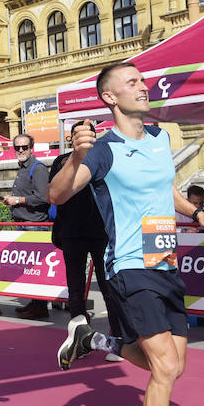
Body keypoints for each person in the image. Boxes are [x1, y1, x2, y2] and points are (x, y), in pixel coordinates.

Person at [48, 62, 204, 406]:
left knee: (173, 366)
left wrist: (197, 213)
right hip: (128, 265)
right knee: (164, 365)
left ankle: (94, 341)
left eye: (142, 81)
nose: (143, 87)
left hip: (164, 262)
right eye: (132, 83)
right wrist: (76, 156)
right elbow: (57, 194)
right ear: (110, 98)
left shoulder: (161, 137)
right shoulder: (103, 150)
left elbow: (167, 190)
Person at [50, 120, 120, 359]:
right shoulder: (62, 162)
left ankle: (118, 337)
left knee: (109, 285)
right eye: (79, 134)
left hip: (102, 233)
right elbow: (54, 194)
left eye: (90, 134)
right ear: (71, 138)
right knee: (76, 289)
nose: (85, 137)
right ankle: (80, 337)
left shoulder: (104, 159)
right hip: (72, 233)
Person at [4, 132, 51, 319]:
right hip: (24, 222)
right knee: (29, 270)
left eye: (24, 147)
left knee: (36, 268)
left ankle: (40, 307)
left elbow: (43, 197)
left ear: (31, 148)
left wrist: (18, 200)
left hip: (35, 224)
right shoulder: (23, 167)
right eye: (17, 147)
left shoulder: (37, 168)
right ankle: (35, 303)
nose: (21, 150)